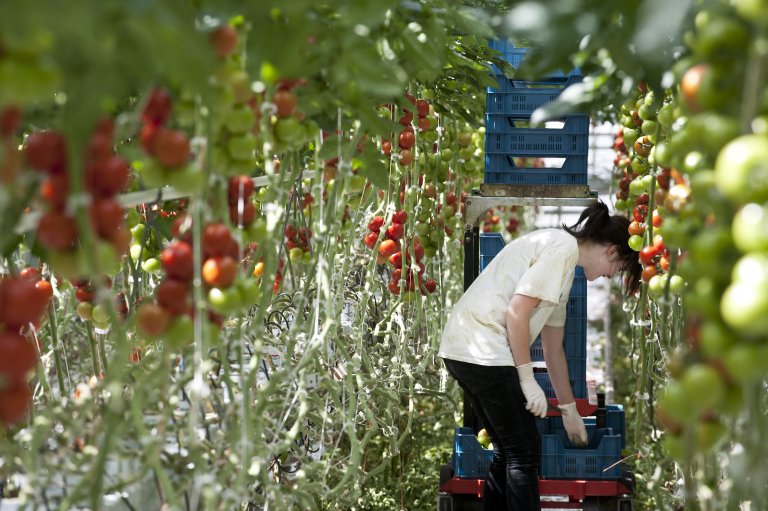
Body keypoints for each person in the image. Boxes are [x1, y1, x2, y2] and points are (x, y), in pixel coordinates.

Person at [439, 200, 641, 511]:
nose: (608, 276)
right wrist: (526, 377)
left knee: (509, 451)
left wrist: (570, 408)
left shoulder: (563, 268)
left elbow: (553, 348)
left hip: (466, 348)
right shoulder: (560, 249)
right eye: (618, 270)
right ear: (612, 251)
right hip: (482, 348)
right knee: (524, 453)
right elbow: (517, 314)